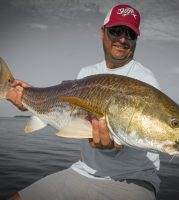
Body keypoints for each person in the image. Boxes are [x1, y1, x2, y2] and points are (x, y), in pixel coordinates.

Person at [7, 4, 160, 200]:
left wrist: (113, 144)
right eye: (116, 30)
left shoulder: (145, 81)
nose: (122, 38)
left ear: (136, 39)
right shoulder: (86, 73)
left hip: (132, 180)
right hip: (82, 172)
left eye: (130, 33)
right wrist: (28, 97)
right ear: (103, 32)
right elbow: (61, 110)